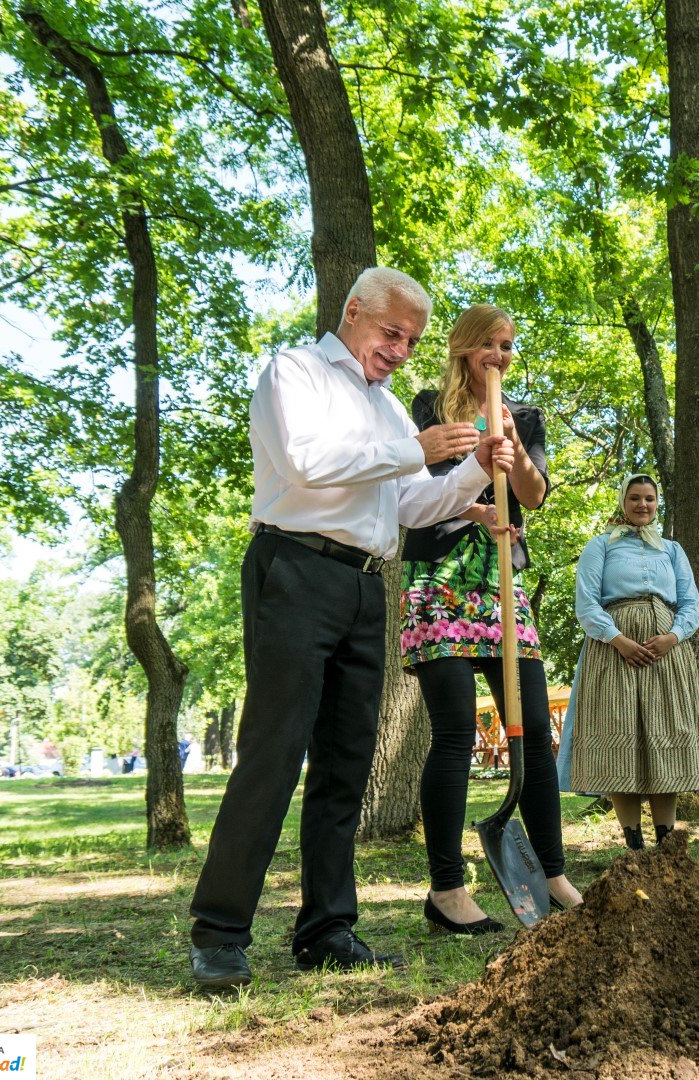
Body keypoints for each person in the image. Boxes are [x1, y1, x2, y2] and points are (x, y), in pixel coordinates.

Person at [187, 268, 514, 991]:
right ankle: (219, 931)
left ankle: (327, 928)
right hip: (294, 570)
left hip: (367, 586)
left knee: (347, 765)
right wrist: (418, 450)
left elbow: (408, 506)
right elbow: (305, 465)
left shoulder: (392, 411)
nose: (399, 351)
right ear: (352, 312)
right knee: (273, 753)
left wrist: (469, 477)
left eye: (412, 340)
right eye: (389, 333)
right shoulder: (293, 372)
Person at [399, 303, 581, 933]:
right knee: (452, 733)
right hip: (440, 583)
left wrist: (512, 447)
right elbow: (420, 492)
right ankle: (446, 889)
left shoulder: (523, 416)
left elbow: (532, 495)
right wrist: (474, 491)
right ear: (465, 348)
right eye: (491, 345)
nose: (501, 356)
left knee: (531, 723)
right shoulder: (427, 406)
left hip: (503, 586)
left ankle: (552, 871)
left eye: (508, 346)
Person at [558, 474, 699, 850]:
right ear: (622, 501)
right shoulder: (600, 546)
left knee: (663, 735)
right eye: (635, 498)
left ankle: (666, 844)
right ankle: (633, 845)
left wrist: (672, 637)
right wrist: (619, 640)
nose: (643, 505)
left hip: (666, 655)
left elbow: (690, 605)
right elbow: (587, 604)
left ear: (657, 503)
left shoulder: (672, 551)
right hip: (613, 654)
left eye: (650, 498)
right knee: (619, 738)